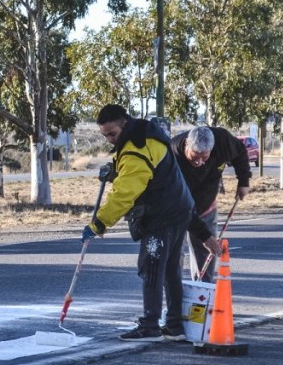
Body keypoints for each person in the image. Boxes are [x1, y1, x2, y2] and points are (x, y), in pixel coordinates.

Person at [81, 104, 196, 342]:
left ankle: (150, 325)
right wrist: (115, 171)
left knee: (151, 268)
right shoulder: (146, 133)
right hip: (179, 210)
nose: (110, 140)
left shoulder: (135, 148)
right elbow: (144, 173)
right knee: (170, 270)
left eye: (112, 134)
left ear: (124, 123)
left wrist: (99, 223)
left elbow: (125, 194)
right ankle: (174, 325)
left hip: (162, 215)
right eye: (105, 136)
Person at [170, 126, 251, 282]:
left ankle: (201, 293)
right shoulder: (171, 156)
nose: (199, 162)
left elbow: (240, 152)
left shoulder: (223, 141)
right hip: (176, 211)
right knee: (173, 255)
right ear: (187, 145)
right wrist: (205, 236)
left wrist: (243, 181)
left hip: (206, 205)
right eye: (195, 156)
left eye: (204, 157)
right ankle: (174, 293)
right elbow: (181, 206)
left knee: (206, 255)